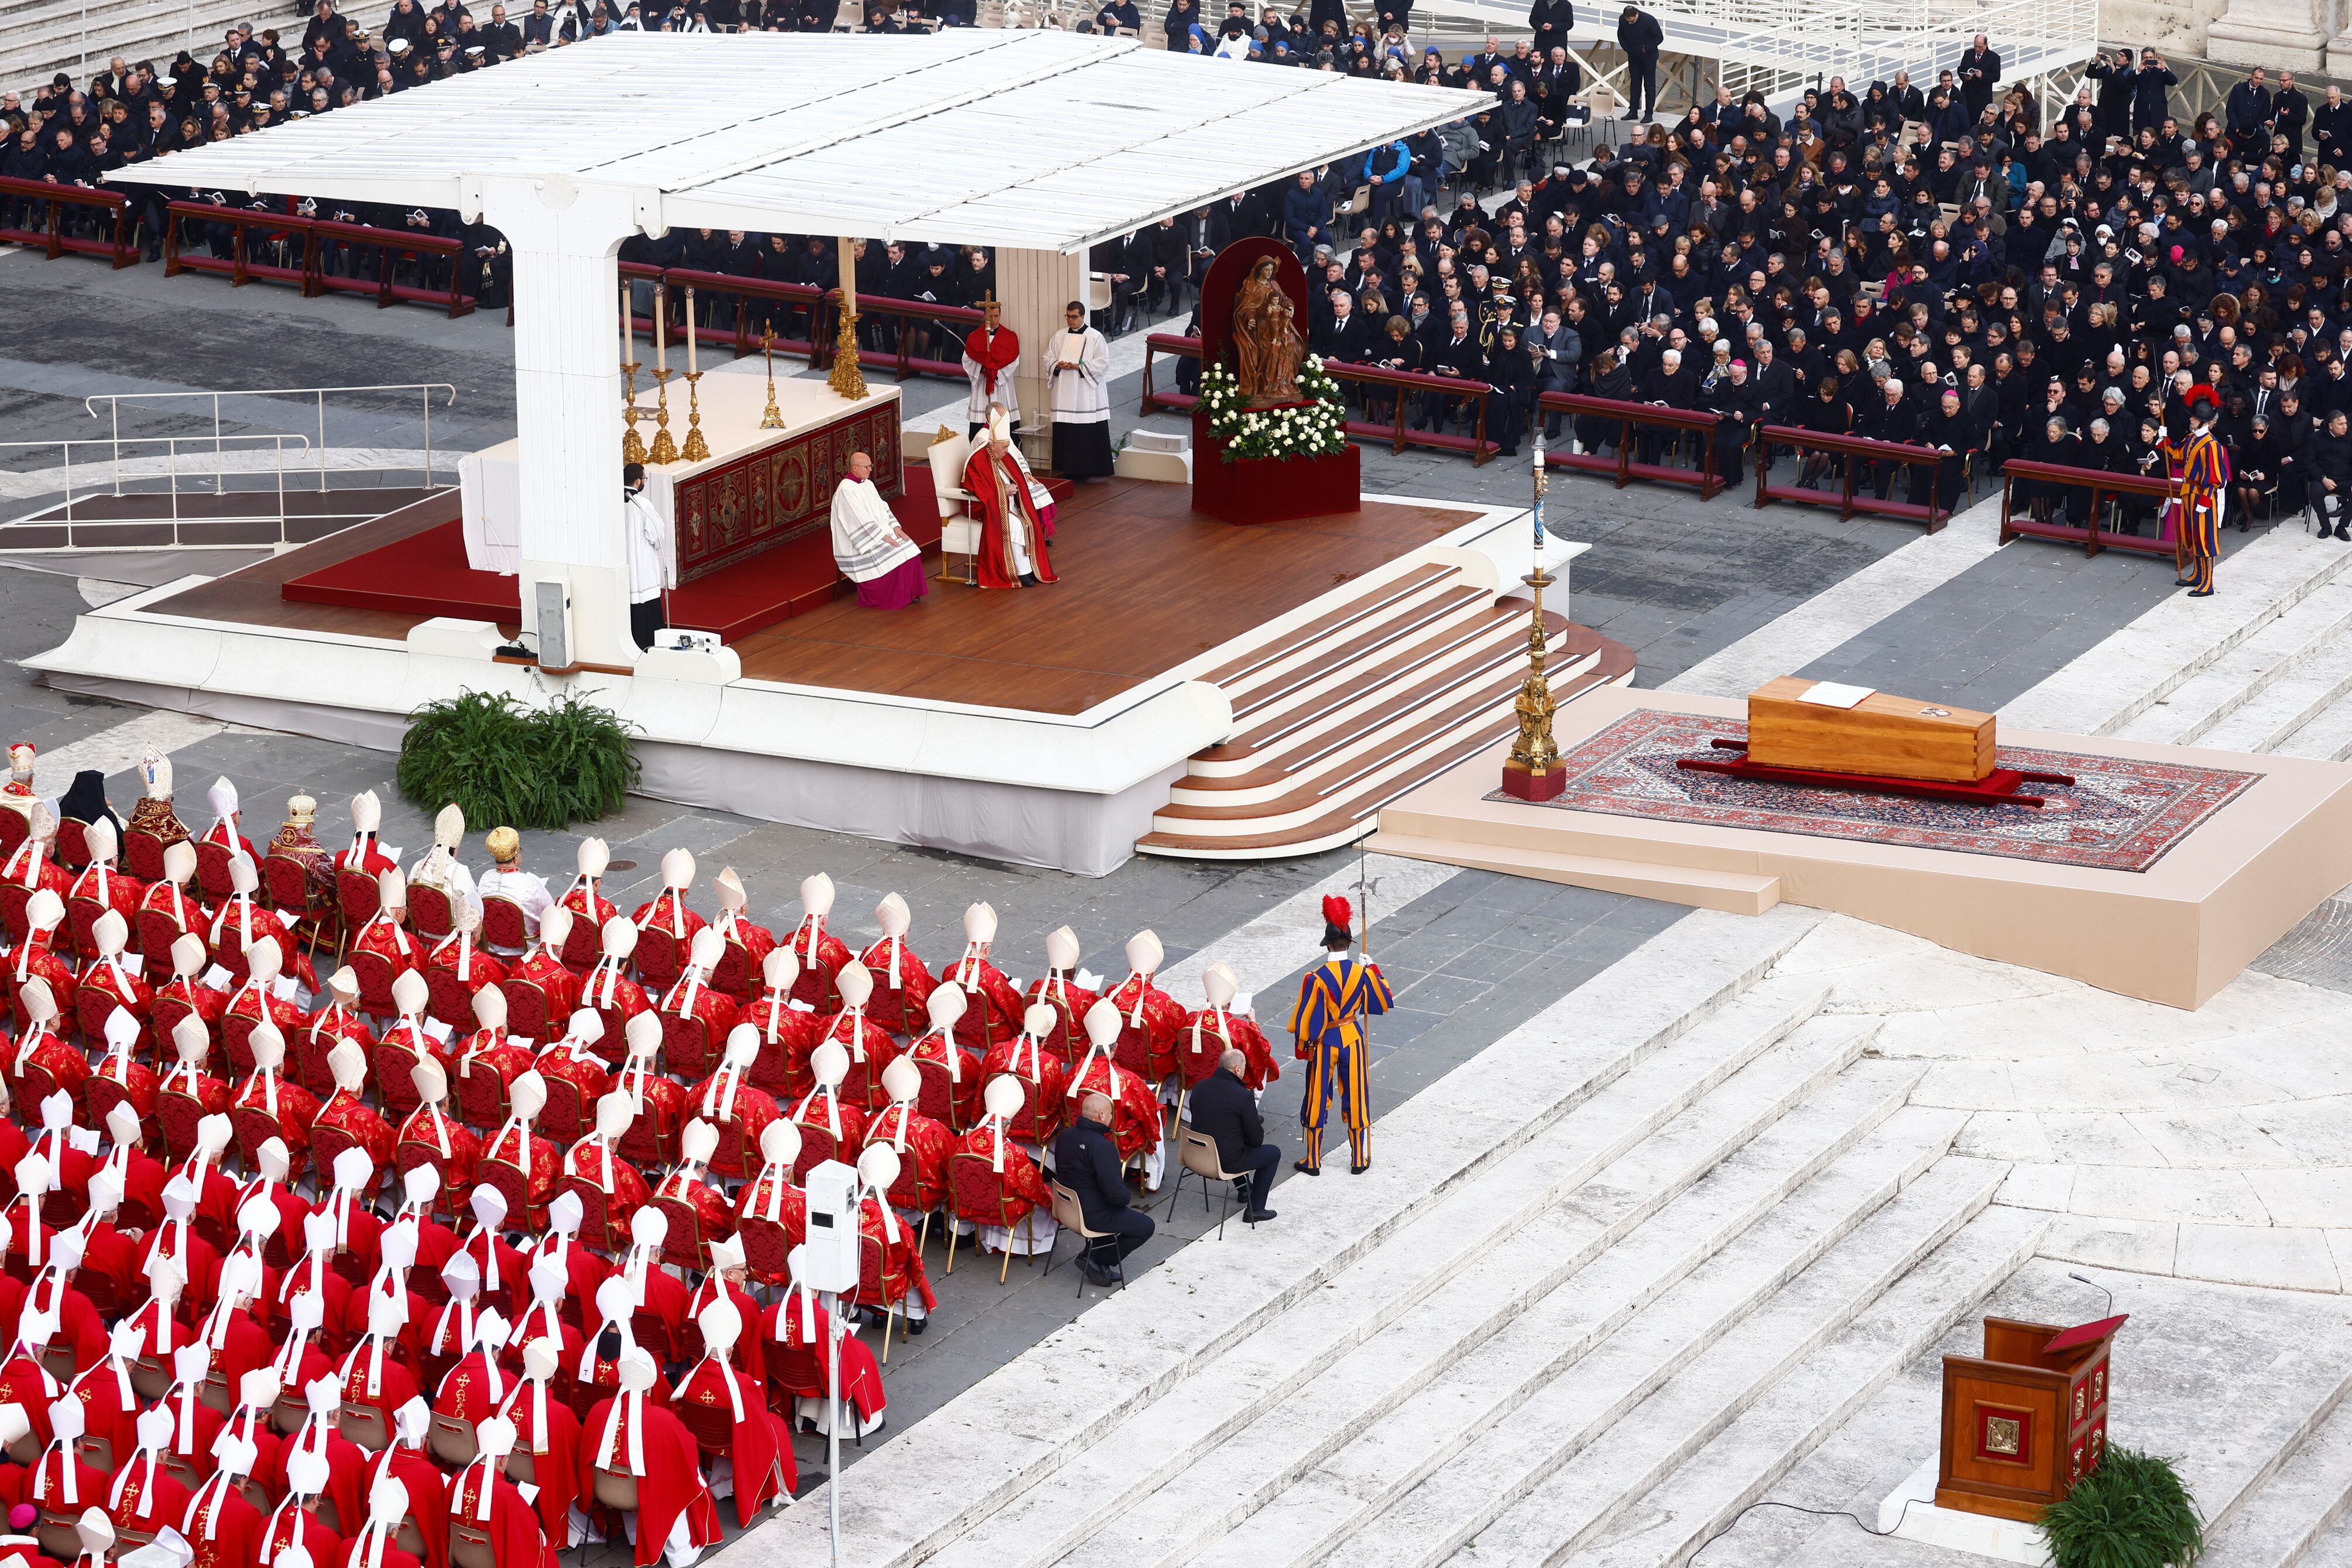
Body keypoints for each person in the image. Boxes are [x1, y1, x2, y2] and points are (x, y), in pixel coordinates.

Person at [1289, 894, 1391, 1175]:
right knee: (1357, 1095)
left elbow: (1305, 1020)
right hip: (1353, 1038)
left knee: (1317, 1096)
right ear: (1348, 944)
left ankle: (1312, 1160)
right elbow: (1382, 1001)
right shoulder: (1363, 973)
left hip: (1325, 1041)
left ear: (1328, 945)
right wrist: (1373, 968)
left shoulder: (1316, 977)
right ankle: (1358, 1159)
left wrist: (1304, 1046)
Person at [1052, 1090, 1149, 1285]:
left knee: (1115, 1211)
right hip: (1092, 1215)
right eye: (1111, 1114)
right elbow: (1115, 1195)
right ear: (1102, 1116)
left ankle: (1093, 1256)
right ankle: (1097, 1259)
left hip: (1066, 1208)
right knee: (1145, 1227)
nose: (1112, 1118)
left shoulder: (1066, 1135)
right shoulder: (1102, 1147)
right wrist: (1126, 1198)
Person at [960, 413, 1057, 589]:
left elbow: (1017, 477)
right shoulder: (977, 461)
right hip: (987, 508)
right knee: (1016, 525)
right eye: (1004, 448)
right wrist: (1003, 492)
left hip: (1009, 504)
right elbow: (978, 492)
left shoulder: (1002, 455)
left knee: (1030, 521)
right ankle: (1022, 572)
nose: (1007, 452)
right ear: (994, 445)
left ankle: (1033, 568)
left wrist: (1015, 489)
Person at [1185, 1047, 1280, 1223]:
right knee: (1272, 1153)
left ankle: (1245, 1190)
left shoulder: (1199, 1087)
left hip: (1195, 1156)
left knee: (1230, 1141)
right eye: (1244, 1066)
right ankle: (1256, 1209)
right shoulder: (1242, 1096)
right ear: (1238, 1069)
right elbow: (1256, 1140)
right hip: (1224, 1162)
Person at [828, 451, 927, 610]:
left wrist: (895, 527)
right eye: (867, 467)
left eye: (871, 466)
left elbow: (883, 507)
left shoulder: (867, 484)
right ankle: (889, 598)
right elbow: (857, 520)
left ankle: (910, 594)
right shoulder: (846, 491)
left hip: (881, 532)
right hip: (862, 541)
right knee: (896, 556)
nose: (870, 470)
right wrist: (882, 536)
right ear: (854, 468)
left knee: (910, 550)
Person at [2164, 384, 2228, 597]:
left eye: (2193, 418)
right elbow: (2178, 456)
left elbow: (2216, 478)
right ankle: (2198, 574)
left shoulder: (2211, 445)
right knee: (2192, 536)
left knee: (2205, 539)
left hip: (2203, 497)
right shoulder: (2192, 438)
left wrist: (2205, 500)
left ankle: (2208, 582)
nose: (2190, 420)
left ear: (2202, 420)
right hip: (2189, 494)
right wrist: (2164, 440)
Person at [1047, 300, 1114, 481]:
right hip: (1065, 389)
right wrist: (1057, 364)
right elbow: (1048, 357)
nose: (1070, 320)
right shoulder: (1059, 336)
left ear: (1083, 316)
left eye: (1074, 317)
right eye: (1068, 317)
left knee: (1086, 431)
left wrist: (1080, 366)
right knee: (1067, 429)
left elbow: (1104, 362)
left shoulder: (1095, 337)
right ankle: (1066, 469)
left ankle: (1090, 469)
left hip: (1086, 392)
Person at [622, 463, 671, 653]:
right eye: (644, 479)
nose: (644, 482)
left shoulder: (611, 503)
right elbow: (656, 537)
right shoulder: (641, 505)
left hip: (623, 569)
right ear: (637, 481)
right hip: (641, 568)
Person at [961, 296, 1019, 439]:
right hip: (982, 384)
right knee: (980, 423)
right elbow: (967, 359)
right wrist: (982, 369)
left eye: (996, 316)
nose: (993, 320)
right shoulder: (974, 337)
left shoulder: (1009, 337)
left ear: (1000, 315)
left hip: (1001, 386)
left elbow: (1014, 360)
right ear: (984, 315)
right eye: (990, 316)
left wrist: (996, 374)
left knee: (1002, 424)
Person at [1615, 5, 1661, 122]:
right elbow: (1620, 35)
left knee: (1649, 85)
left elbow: (1659, 38)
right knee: (1635, 84)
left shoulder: (1649, 20)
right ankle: (1633, 111)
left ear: (1637, 15)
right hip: (1633, 56)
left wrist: (1646, 49)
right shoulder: (1623, 20)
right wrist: (1627, 48)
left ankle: (1649, 114)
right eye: (1628, 21)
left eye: (1632, 21)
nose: (1630, 23)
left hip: (1648, 57)